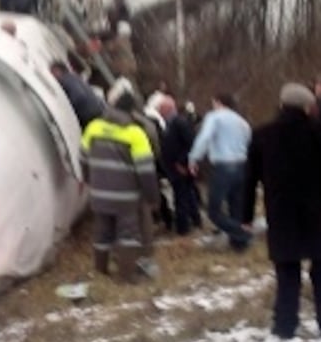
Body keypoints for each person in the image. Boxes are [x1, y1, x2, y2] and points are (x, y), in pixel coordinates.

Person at [243, 83, 321, 340]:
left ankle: (285, 325)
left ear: (281, 105)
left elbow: (249, 179)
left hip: (281, 212)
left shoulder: (263, 135)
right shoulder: (320, 132)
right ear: (308, 107)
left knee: (287, 271)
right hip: (318, 210)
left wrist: (245, 215)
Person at [80, 88, 162, 283]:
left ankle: (101, 272)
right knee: (127, 236)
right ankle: (126, 277)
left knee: (102, 233)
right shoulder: (135, 133)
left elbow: (83, 158)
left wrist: (89, 180)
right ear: (132, 111)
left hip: (99, 194)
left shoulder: (93, 127)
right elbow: (146, 171)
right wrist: (152, 197)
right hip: (126, 196)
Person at [189, 93, 253, 252]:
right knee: (236, 207)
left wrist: (194, 158)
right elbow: (249, 141)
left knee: (214, 210)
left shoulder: (215, 117)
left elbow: (204, 137)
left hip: (223, 165)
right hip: (242, 165)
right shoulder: (242, 122)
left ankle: (242, 233)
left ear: (218, 102)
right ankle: (239, 245)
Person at [158, 96, 202, 235]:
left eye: (161, 108)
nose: (159, 111)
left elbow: (192, 143)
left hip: (181, 167)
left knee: (181, 197)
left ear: (169, 108)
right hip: (174, 167)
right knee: (188, 194)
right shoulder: (170, 123)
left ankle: (183, 229)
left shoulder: (179, 123)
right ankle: (196, 220)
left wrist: (182, 162)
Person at [51, 59, 105, 129]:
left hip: (89, 115)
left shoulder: (65, 79)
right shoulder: (74, 77)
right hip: (97, 113)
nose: (51, 75)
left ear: (58, 70)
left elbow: (79, 95)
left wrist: (66, 109)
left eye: (52, 72)